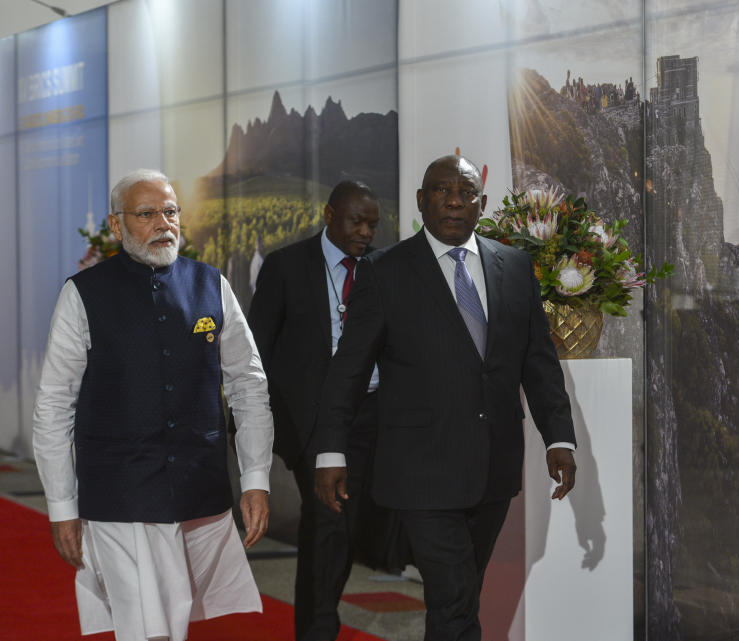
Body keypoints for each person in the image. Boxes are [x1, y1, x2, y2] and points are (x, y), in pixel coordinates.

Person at [313, 155, 578, 641]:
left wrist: (559, 438)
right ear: (421, 200)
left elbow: (538, 362)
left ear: (482, 202)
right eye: (441, 190)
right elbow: (347, 372)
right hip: (422, 472)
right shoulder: (384, 272)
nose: (455, 200)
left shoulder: (515, 266)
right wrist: (330, 449)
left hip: (493, 468)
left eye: (466, 192)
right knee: (454, 595)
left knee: (460, 597)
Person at [32, 169, 273, 641]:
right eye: (147, 214)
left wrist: (256, 478)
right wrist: (61, 506)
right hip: (119, 494)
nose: (164, 223)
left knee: (176, 619)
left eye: (171, 212)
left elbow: (248, 384)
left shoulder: (211, 285)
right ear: (117, 226)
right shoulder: (82, 295)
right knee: (145, 626)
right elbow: (54, 405)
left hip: (198, 490)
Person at [247, 180, 391, 641]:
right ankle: (317, 629)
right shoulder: (286, 266)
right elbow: (258, 349)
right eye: (357, 221)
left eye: (372, 223)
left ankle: (320, 620)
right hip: (310, 421)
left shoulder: (383, 270)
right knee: (328, 523)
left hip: (371, 415)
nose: (366, 232)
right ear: (329, 215)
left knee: (343, 526)